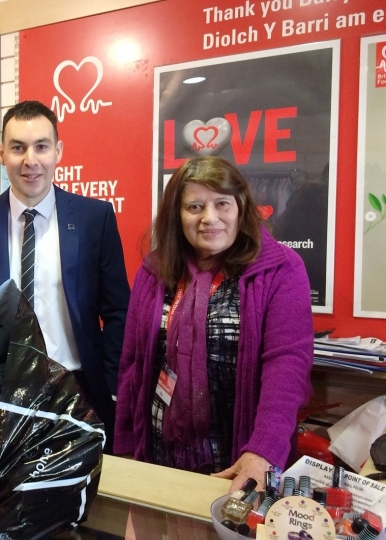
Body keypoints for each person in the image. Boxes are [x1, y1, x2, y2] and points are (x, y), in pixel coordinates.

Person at [114, 156, 313, 491]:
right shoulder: (154, 271)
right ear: (177, 216)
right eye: (194, 206)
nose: (210, 218)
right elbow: (133, 369)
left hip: (242, 463)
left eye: (222, 203)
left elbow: (287, 367)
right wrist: (124, 456)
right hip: (159, 460)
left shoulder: (281, 269)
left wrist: (263, 451)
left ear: (241, 208)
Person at [0, 100, 130, 451]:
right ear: (2, 153)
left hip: (80, 386)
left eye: (41, 147)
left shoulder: (95, 218)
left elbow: (117, 312)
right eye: (18, 148)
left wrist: (111, 384)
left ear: (58, 152)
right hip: (2, 389)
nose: (30, 160)